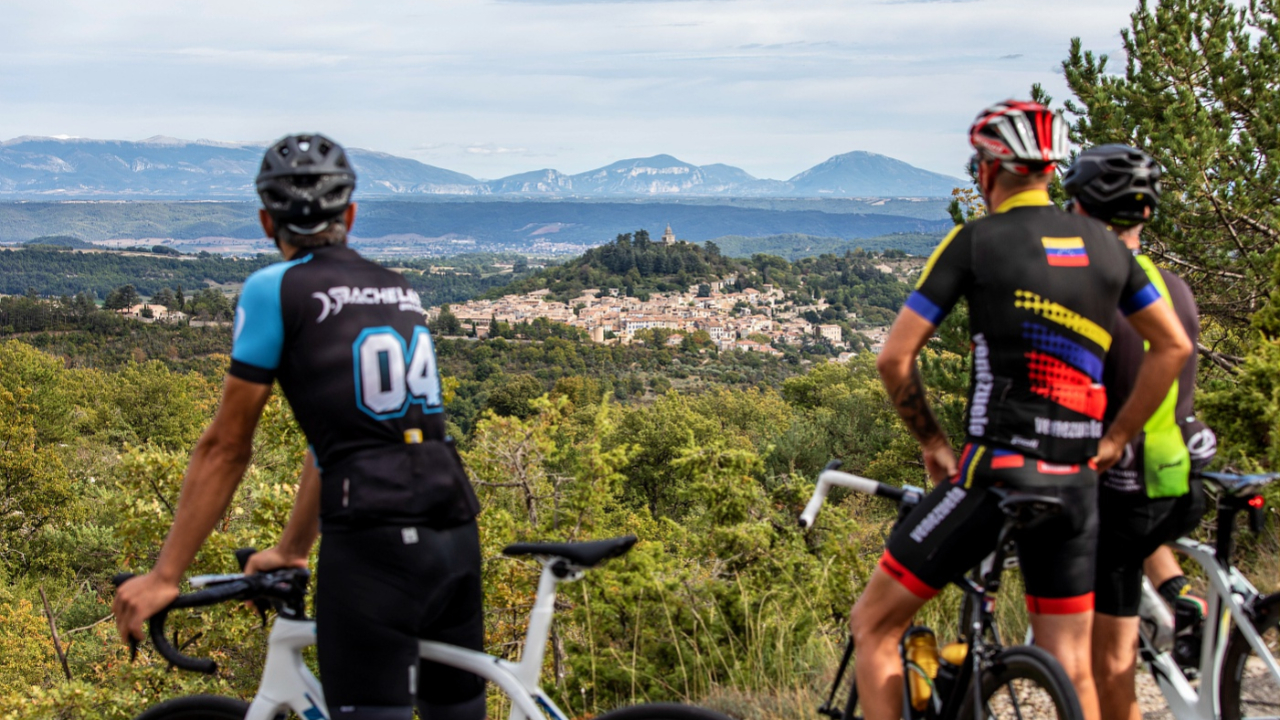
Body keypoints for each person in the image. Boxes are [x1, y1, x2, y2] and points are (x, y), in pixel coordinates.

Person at [113, 134, 485, 720]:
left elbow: (226, 447)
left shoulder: (275, 288)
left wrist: (166, 575)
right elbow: (340, 436)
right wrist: (289, 549)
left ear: (266, 222)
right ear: (352, 215)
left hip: (372, 541)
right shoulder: (399, 288)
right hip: (454, 529)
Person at [849, 101, 1193, 720]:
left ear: (989, 170)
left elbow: (894, 359)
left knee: (874, 623)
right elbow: (1172, 346)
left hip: (997, 475)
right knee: (1070, 662)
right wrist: (1115, 438)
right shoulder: (1107, 248)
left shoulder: (976, 241)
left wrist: (933, 443)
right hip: (1078, 484)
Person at [1063, 145, 1216, 720]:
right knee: (1141, 535)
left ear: (1077, 211)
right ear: (1145, 215)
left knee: (1109, 660)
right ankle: (1180, 597)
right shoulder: (1170, 284)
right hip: (1182, 473)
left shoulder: (1091, 295)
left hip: (1125, 490)